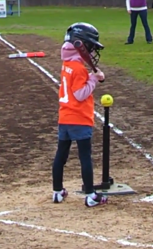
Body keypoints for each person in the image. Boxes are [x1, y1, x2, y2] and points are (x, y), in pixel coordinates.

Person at [52, 22, 108, 208]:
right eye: (90, 47)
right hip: (79, 119)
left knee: (61, 155)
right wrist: (93, 79)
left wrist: (91, 77)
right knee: (85, 156)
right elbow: (80, 94)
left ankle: (57, 191)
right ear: (79, 45)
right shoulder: (78, 69)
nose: (91, 51)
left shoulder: (67, 64)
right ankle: (91, 195)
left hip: (65, 118)